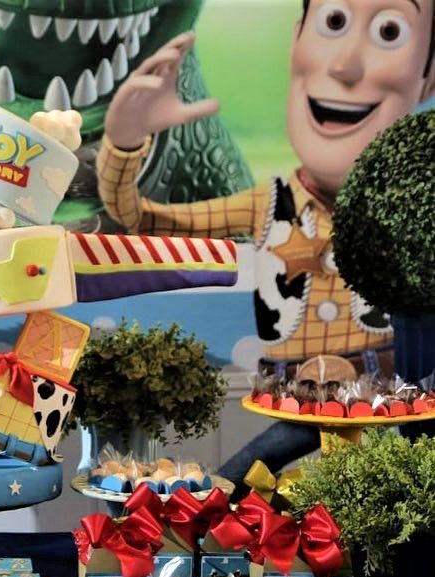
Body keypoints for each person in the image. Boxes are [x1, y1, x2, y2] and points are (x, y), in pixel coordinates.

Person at [96, 0, 435, 497]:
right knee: (226, 488)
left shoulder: (406, 208)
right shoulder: (267, 203)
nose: (345, 67)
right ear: (298, 41)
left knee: (399, 503)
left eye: (390, 31)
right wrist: (124, 145)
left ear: (427, 76)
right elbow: (140, 218)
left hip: (387, 398)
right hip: (297, 398)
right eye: (334, 22)